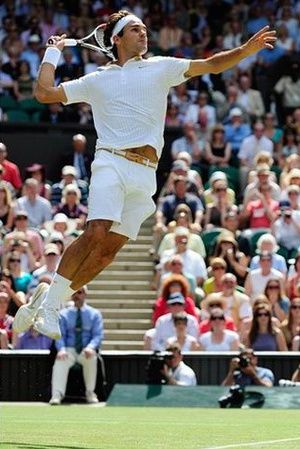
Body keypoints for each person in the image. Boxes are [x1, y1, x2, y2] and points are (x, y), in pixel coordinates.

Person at [13, 10, 276, 340]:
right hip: (110, 162)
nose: (143, 34)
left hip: (145, 175)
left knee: (108, 252)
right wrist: (53, 51)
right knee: (97, 231)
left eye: (143, 29)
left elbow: (210, 64)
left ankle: (48, 298)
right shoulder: (96, 80)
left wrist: (245, 51)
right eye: (135, 29)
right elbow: (44, 93)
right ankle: (52, 308)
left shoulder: (161, 67)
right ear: (117, 39)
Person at [49, 286, 103, 405]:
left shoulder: (95, 314)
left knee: (92, 358)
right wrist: (61, 349)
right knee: (60, 361)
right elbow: (59, 335)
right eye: (74, 293)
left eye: (80, 292)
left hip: (86, 350)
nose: (76, 295)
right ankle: (57, 394)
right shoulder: (63, 314)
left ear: (85, 295)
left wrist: (91, 347)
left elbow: (98, 335)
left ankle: (90, 393)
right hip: (69, 349)